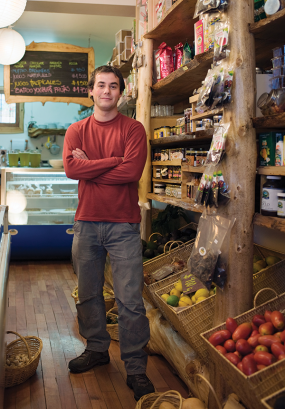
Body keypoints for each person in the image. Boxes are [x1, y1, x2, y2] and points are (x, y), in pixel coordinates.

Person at [63, 65, 155, 401]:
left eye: (113, 86)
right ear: (91, 91)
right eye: (100, 85)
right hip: (86, 223)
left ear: (121, 92)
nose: (106, 91)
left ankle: (135, 368)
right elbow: (72, 169)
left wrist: (92, 168)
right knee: (88, 294)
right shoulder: (76, 129)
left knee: (130, 300)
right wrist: (111, 161)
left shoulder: (133, 129)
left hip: (124, 226)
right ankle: (97, 349)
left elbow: (131, 172)